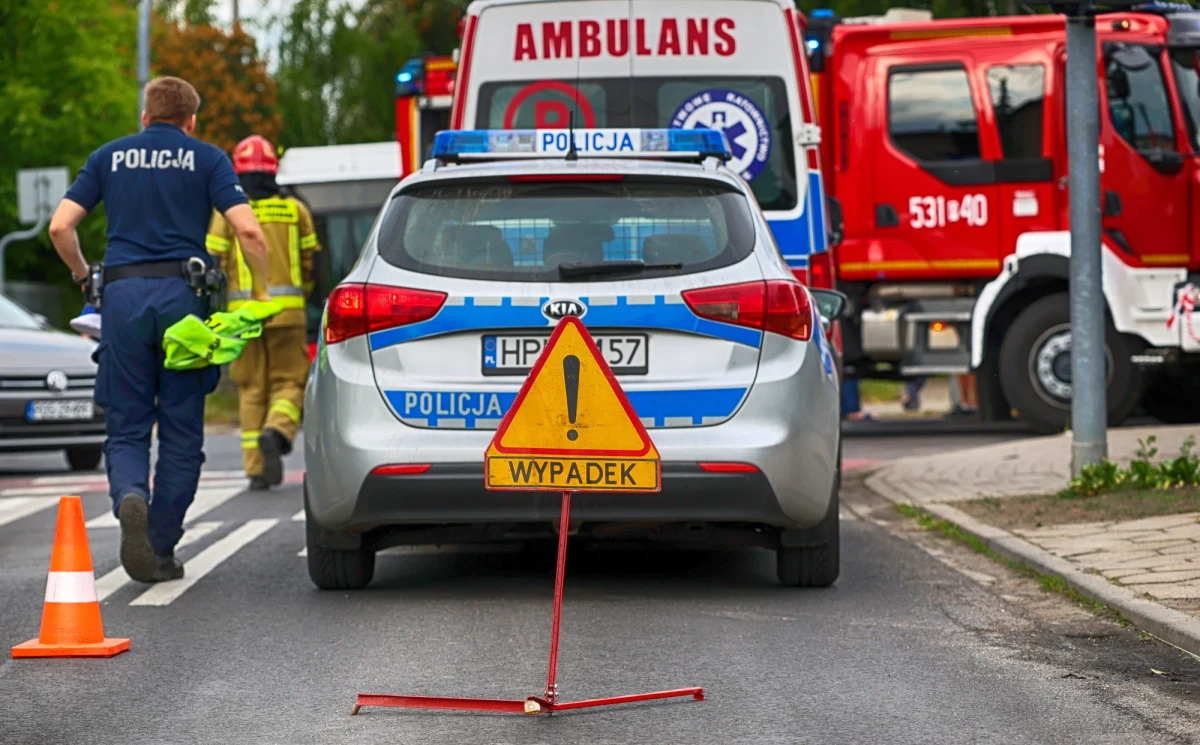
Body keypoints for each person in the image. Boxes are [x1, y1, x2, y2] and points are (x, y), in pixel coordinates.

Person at [48, 77, 271, 583]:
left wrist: (84, 276)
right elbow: (249, 231)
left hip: (122, 298)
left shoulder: (108, 157)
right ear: (191, 120)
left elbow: (60, 226)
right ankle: (161, 546)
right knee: (181, 433)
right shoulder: (208, 158)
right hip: (183, 303)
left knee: (126, 426)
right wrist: (260, 291)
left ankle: (130, 495)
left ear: (145, 117)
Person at [206, 135, 320, 490]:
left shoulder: (226, 212)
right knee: (290, 382)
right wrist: (303, 294)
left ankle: (256, 469)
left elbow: (213, 263)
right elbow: (312, 263)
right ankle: (277, 429)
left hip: (244, 318)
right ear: (273, 170)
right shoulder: (295, 210)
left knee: (251, 388)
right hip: (288, 314)